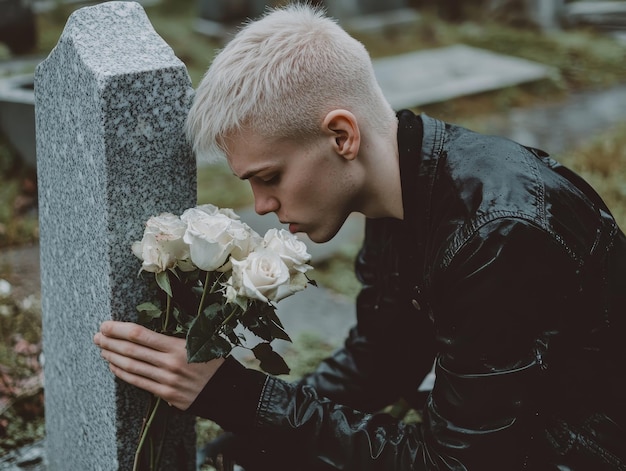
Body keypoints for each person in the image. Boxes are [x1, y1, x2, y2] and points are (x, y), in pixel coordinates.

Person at [93, 4, 626, 470]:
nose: (261, 206)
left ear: (341, 136)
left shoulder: (496, 233)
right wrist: (248, 437)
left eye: (270, 176)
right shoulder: (404, 186)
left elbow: (458, 464)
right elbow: (382, 359)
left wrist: (240, 398)